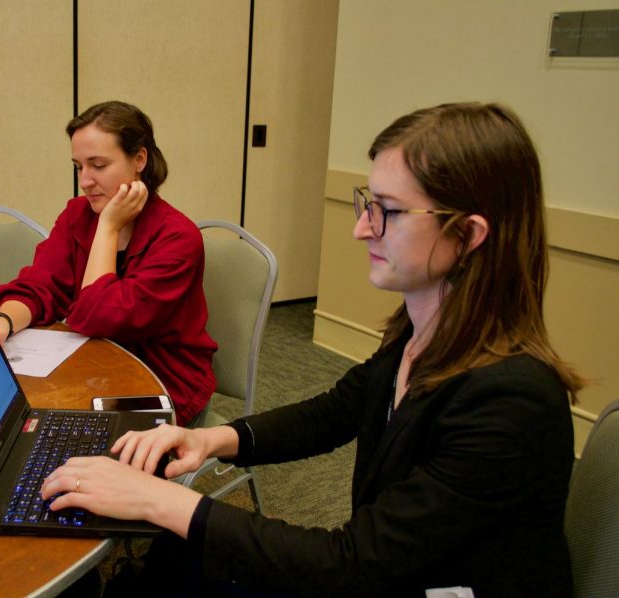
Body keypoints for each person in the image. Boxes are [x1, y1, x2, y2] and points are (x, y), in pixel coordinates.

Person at [41, 102, 584, 596]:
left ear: (468, 234)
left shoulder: (511, 399)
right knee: (173, 557)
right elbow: (331, 414)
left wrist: (157, 500)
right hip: (388, 571)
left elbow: (352, 566)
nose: (361, 228)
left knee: (179, 544)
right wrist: (207, 439)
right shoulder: (426, 338)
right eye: (368, 203)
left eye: (389, 211)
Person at [0, 101, 217, 426]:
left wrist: (109, 227)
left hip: (163, 385)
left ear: (139, 159)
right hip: (94, 368)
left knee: (57, 447)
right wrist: (4, 321)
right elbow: (40, 285)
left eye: (98, 165)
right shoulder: (76, 216)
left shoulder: (178, 238)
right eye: (78, 166)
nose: (85, 181)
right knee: (15, 423)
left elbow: (98, 315)